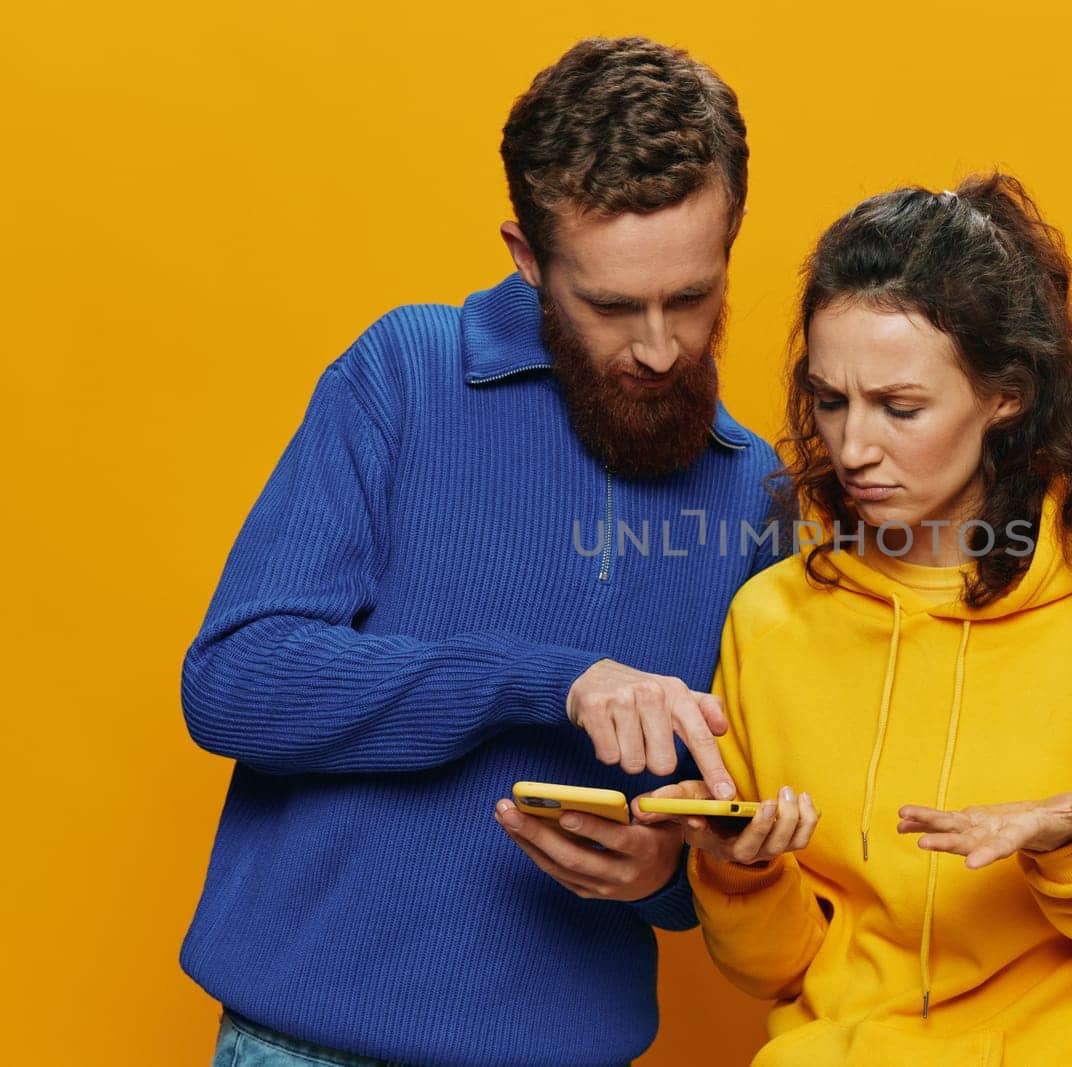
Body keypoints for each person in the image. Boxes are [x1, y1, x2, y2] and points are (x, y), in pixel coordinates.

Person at [181, 37, 780, 1067]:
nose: (658, 346)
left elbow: (744, 818)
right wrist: (542, 681)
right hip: (303, 1044)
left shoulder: (751, 491)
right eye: (609, 304)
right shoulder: (403, 375)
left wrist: (661, 871)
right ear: (526, 255)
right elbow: (232, 683)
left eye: (691, 296)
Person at [636, 174, 1072, 1065]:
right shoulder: (774, 618)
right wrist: (740, 866)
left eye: (900, 407)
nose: (853, 449)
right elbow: (779, 971)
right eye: (830, 402)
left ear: (1006, 395)